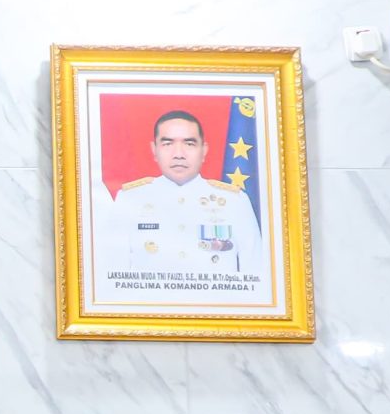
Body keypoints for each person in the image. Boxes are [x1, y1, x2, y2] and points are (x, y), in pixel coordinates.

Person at [95, 109, 266, 289]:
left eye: (189, 144)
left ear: (204, 150)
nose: (179, 154)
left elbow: (256, 276)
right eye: (167, 144)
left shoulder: (235, 201)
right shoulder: (130, 199)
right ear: (154, 150)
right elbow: (111, 277)